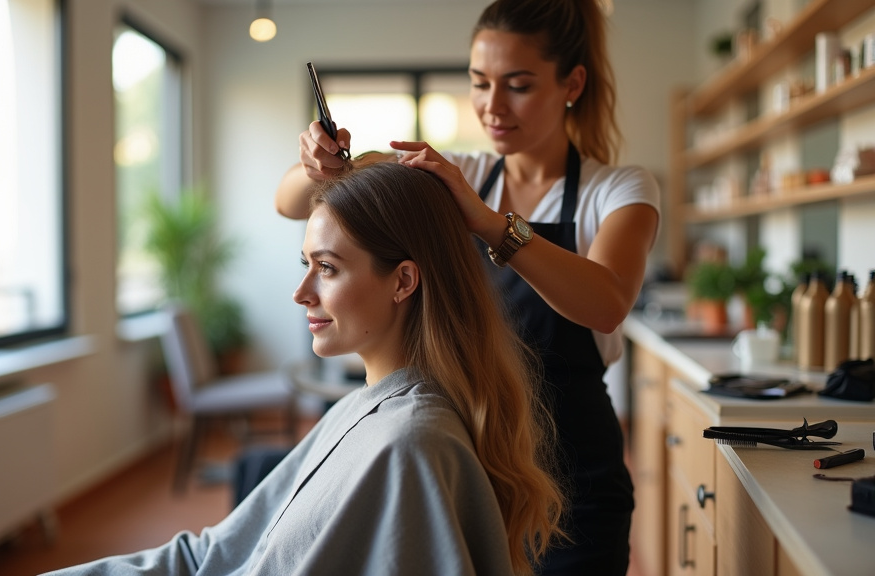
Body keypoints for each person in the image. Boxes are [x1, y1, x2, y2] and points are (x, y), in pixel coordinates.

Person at [274, 1, 660, 574]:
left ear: (571, 82)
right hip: (469, 459)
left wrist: (489, 221)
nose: (492, 107)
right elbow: (290, 203)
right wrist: (317, 166)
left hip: (576, 471)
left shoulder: (619, 190)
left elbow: (605, 304)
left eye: (518, 85)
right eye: (479, 83)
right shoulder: (458, 171)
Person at [45, 162, 565, 576]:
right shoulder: (367, 411)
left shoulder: (410, 444)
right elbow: (217, 554)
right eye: (306, 264)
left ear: (403, 281)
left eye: (328, 268)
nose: (302, 293)